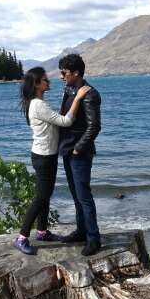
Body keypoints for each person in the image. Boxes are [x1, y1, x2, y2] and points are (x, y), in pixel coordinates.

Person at [14, 66, 91, 255]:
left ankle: (42, 232)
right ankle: (22, 237)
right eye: (45, 79)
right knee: (41, 197)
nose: (49, 81)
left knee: (45, 194)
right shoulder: (38, 105)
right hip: (43, 157)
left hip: (46, 154)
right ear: (37, 84)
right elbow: (65, 121)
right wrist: (78, 97)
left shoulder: (37, 103)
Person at [57, 54, 102, 256]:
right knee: (76, 195)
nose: (61, 76)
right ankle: (81, 231)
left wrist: (78, 148)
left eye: (64, 72)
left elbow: (94, 126)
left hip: (79, 153)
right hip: (67, 150)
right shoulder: (69, 90)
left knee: (84, 196)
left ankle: (94, 239)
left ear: (76, 73)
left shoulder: (90, 94)